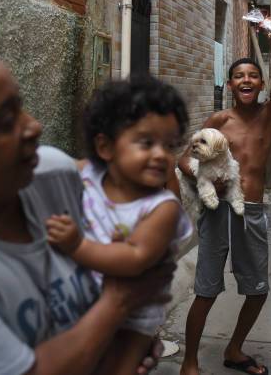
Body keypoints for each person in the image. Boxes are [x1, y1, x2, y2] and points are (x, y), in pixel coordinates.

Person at [0, 33, 172, 375]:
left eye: (20, 105)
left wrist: (125, 341)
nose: (33, 126)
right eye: (5, 122)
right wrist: (120, 302)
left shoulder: (51, 173)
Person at [45, 76, 193, 375]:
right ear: (105, 147)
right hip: (86, 302)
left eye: (169, 145)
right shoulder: (88, 175)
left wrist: (77, 245)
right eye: (146, 142)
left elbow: (135, 259)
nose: (161, 155)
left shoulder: (162, 208)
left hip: (134, 316)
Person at [179, 21, 271, 375]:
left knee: (257, 290)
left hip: (252, 212)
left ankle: (235, 349)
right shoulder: (219, 121)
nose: (245, 80)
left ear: (260, 84)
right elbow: (185, 159)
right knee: (207, 291)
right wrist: (208, 178)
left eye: (252, 76)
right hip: (218, 213)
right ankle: (190, 362)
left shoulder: (268, 116)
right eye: (239, 75)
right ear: (230, 84)